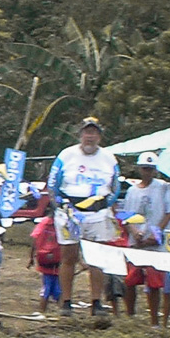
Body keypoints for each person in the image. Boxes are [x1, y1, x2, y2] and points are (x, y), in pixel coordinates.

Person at [47, 117, 120, 317]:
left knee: (96, 258)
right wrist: (59, 205)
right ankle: (66, 302)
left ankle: (96, 302)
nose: (90, 137)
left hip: (97, 212)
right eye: (87, 133)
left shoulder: (108, 157)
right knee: (69, 257)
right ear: (80, 135)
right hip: (70, 212)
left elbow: (116, 185)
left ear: (99, 136)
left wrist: (107, 204)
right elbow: (52, 184)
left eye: (94, 133)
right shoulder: (66, 155)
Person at [120, 151, 170, 327]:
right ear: (140, 169)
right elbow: (126, 216)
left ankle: (155, 321)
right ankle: (130, 316)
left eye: (151, 169)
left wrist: (157, 232)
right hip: (136, 241)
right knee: (130, 280)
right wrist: (134, 231)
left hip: (156, 242)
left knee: (154, 282)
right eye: (145, 168)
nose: (148, 172)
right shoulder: (132, 191)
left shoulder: (163, 187)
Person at [28, 217, 61, 316]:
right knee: (57, 288)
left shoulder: (43, 224)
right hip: (58, 260)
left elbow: (34, 240)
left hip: (45, 259)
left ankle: (42, 311)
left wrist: (31, 257)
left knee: (47, 287)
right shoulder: (62, 224)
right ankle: (61, 310)